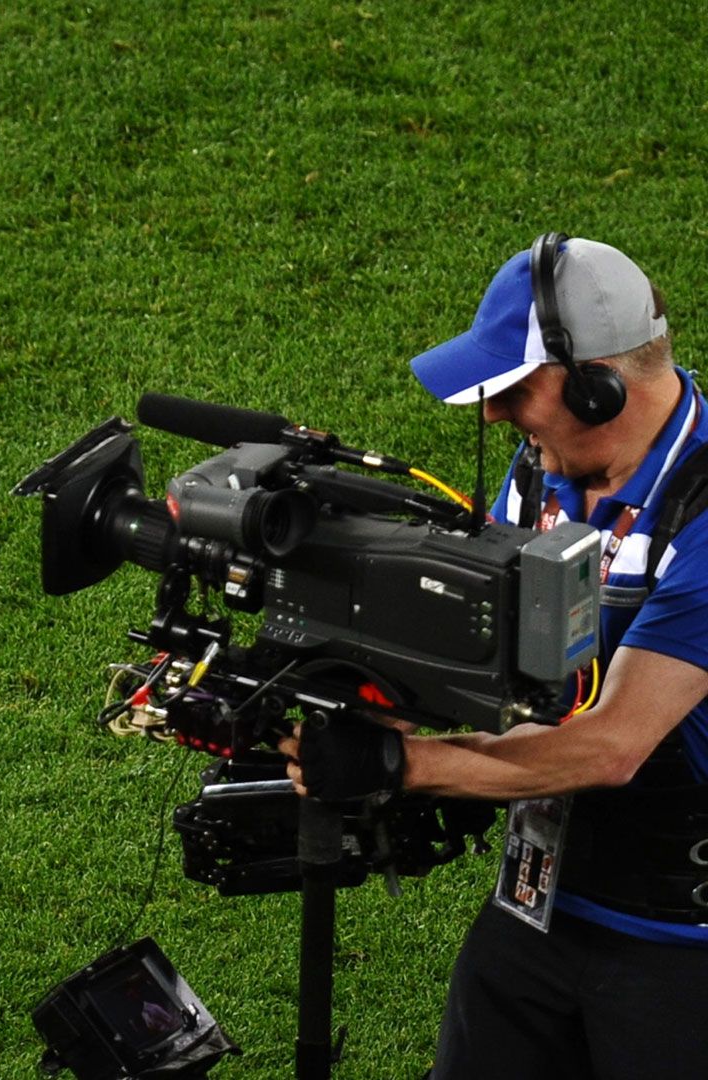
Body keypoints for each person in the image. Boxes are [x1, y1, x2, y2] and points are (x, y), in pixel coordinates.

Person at [280, 234, 708, 1079]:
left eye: (514, 389)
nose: (492, 413)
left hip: (680, 945)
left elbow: (612, 745)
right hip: (539, 905)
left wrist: (405, 766)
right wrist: (372, 696)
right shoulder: (543, 473)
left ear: (596, 385)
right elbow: (496, 652)